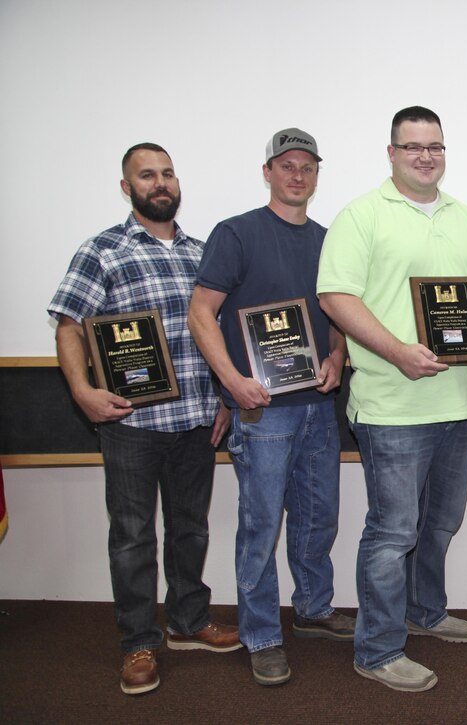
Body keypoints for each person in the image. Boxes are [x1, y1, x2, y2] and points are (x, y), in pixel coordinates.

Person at [317, 106, 467, 693]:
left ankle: (424, 612)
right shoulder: (362, 216)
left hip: (459, 403)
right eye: (413, 146)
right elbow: (335, 296)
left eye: (436, 146)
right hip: (392, 408)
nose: (426, 156)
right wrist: (398, 349)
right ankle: (376, 649)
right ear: (392, 152)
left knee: (440, 524)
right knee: (393, 531)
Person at [48, 143, 240, 696]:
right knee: (132, 538)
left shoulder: (203, 253)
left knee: (191, 529)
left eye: (168, 174)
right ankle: (137, 642)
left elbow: (218, 333)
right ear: (127, 186)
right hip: (129, 424)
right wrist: (82, 391)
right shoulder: (102, 251)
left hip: (196, 421)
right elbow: (69, 326)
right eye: (147, 175)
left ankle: (187, 621)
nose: (160, 183)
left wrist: (226, 396)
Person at [188, 128, 352, 687]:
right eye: (286, 165)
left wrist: (336, 355)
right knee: (261, 527)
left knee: (318, 518)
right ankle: (261, 633)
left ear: (315, 175)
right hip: (262, 412)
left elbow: (340, 314)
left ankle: (313, 609)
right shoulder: (235, 234)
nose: (297, 174)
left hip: (317, 407)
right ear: (268, 172)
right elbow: (200, 314)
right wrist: (232, 381)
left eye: (307, 166)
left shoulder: (330, 240)